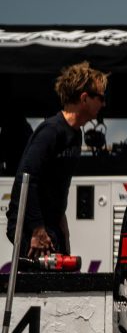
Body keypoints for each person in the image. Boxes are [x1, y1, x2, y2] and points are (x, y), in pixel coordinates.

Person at [5, 61, 108, 258]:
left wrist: (64, 231)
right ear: (84, 98)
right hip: (30, 225)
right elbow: (26, 179)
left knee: (61, 281)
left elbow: (60, 186)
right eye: (100, 97)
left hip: (51, 225)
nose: (104, 103)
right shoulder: (51, 131)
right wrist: (36, 230)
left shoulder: (75, 135)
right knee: (41, 286)